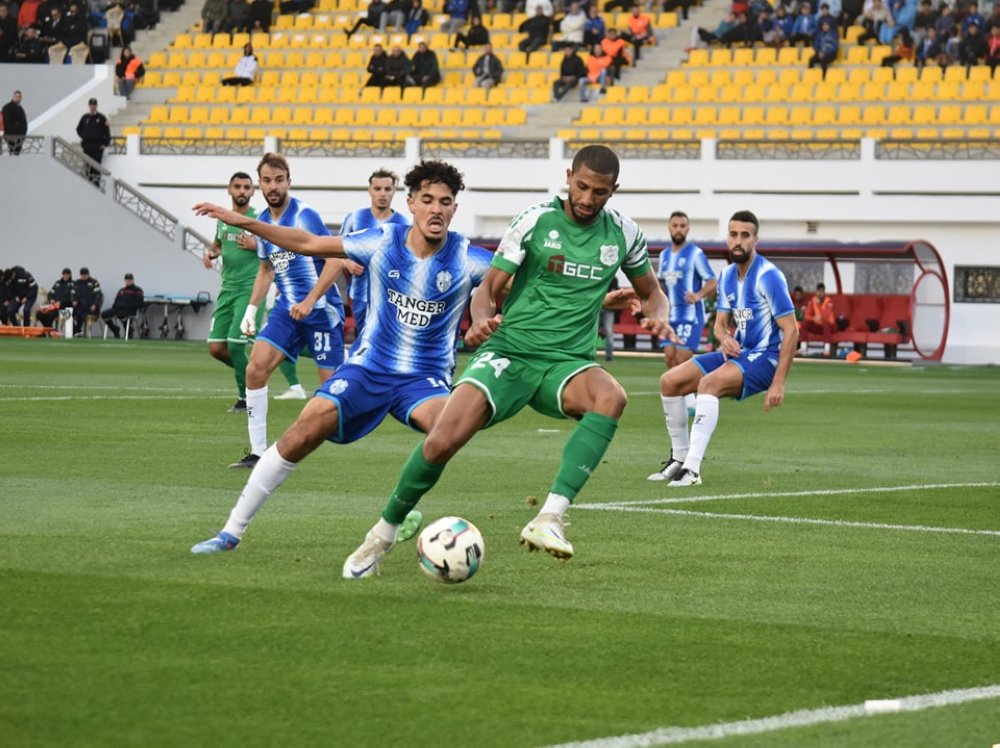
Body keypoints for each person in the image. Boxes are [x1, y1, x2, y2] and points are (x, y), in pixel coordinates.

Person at [340, 145, 674, 578]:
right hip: (509, 352)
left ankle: (550, 518)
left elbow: (653, 291)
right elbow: (487, 289)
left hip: (565, 364)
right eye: (582, 186)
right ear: (569, 176)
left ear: (615, 190)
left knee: (611, 397)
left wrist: (658, 316)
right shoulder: (536, 220)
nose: (589, 199)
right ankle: (380, 537)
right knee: (442, 440)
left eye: (601, 192)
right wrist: (479, 322)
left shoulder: (624, 233)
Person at [189, 160, 493, 556]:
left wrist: (485, 319)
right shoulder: (382, 240)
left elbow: (502, 287)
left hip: (424, 379)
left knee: (448, 429)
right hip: (368, 368)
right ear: (412, 203)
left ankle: (392, 520)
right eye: (428, 200)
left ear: (455, 208)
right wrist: (242, 221)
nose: (437, 209)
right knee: (303, 431)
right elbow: (308, 244)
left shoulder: (470, 258)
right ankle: (230, 533)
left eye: (446, 202)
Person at [649, 210, 798, 488]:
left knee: (709, 384)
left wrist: (779, 383)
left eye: (745, 235)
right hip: (739, 353)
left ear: (755, 239)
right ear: (727, 237)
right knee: (669, 381)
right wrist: (724, 338)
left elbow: (792, 330)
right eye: (733, 234)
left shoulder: (769, 276)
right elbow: (719, 325)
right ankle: (679, 459)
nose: (738, 241)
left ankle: (692, 470)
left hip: (766, 357)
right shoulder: (727, 275)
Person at [225, 153, 346, 469]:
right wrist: (252, 309)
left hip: (320, 311)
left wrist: (309, 301)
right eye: (267, 180)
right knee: (255, 368)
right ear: (259, 185)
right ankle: (257, 452)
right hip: (285, 310)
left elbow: (335, 260)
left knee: (331, 396)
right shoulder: (262, 223)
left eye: (279, 180)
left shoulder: (305, 215)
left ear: (288, 182)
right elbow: (266, 270)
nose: (273, 186)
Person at [646, 211, 717, 482]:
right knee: (669, 359)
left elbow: (712, 280)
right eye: (675, 225)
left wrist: (698, 295)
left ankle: (692, 401)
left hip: (690, 316)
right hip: (671, 316)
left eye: (683, 225)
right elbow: (661, 284)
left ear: (687, 228)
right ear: (669, 227)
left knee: (683, 362)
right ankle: (688, 403)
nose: (679, 228)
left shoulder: (695, 254)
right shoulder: (664, 256)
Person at [203, 172, 267, 413]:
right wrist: (211, 253)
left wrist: (255, 244)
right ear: (229, 190)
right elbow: (218, 244)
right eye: (237, 186)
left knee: (235, 346)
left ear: (252, 192)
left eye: (246, 187)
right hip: (226, 289)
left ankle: (246, 399)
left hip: (249, 290)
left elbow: (276, 246)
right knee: (216, 348)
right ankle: (254, 376)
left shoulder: (259, 219)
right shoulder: (222, 219)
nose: (242, 191)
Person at [339, 169, 411, 339]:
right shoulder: (354, 218)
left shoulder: (404, 224)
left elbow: (409, 261)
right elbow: (337, 252)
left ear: (394, 191)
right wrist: (347, 263)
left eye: (387, 189)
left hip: (392, 298)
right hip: (361, 294)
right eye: (377, 189)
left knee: (388, 343)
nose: (382, 193)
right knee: (365, 341)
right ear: (370, 190)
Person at [76, 98, 110, 187]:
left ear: (96, 106)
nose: (92, 106)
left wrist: (105, 144)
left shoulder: (101, 118)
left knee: (96, 167)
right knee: (88, 167)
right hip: (87, 146)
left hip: (97, 147)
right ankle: (88, 184)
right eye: (91, 105)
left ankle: (95, 185)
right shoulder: (85, 117)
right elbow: (78, 129)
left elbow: (107, 132)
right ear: (89, 106)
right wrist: (84, 135)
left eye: (94, 105)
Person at [101, 272, 145, 338]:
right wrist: (116, 306)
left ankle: (129, 331)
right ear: (125, 281)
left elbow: (139, 302)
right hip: (118, 308)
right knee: (104, 314)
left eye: (130, 280)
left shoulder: (138, 290)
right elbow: (116, 301)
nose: (128, 281)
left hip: (130, 309)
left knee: (121, 315)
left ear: (133, 280)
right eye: (127, 280)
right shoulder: (121, 290)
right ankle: (115, 329)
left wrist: (128, 305)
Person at [800, 281, 836, 356]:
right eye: (818, 291)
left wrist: (819, 306)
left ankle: (827, 349)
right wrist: (813, 318)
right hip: (817, 325)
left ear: (824, 292)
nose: (820, 293)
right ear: (816, 292)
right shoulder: (812, 301)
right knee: (805, 323)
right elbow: (806, 316)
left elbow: (826, 317)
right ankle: (803, 348)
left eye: (822, 291)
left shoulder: (829, 302)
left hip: (828, 327)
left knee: (826, 323)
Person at [72, 267, 103, 336]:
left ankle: (77, 330)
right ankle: (76, 330)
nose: (83, 276)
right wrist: (73, 300)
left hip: (91, 306)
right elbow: (72, 294)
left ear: (88, 274)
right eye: (82, 275)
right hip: (79, 305)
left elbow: (98, 295)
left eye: (85, 275)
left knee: (81, 313)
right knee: (69, 314)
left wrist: (95, 304)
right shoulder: (77, 282)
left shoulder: (94, 282)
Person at [2, 90, 27, 156]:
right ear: (13, 97)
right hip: (11, 137)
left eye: (19, 97)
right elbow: (7, 123)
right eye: (16, 96)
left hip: (20, 138)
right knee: (11, 155)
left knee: (16, 155)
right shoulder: (7, 108)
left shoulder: (20, 108)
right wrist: (12, 136)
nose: (18, 98)